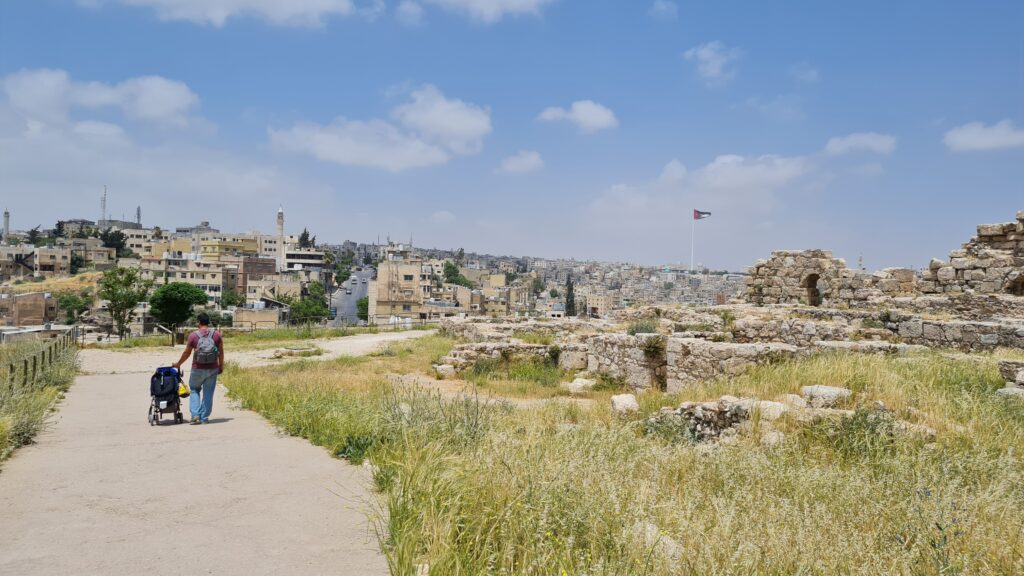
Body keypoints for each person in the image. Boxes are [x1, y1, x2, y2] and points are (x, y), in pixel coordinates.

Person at [172, 313, 224, 425]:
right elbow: (221, 352)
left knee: (194, 390)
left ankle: (195, 415)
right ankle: (204, 418)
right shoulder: (216, 335)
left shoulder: (193, 336)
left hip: (197, 368)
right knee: (208, 393)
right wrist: (221, 366)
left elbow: (187, 353)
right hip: (212, 368)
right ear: (208, 322)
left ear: (199, 322)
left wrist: (178, 363)